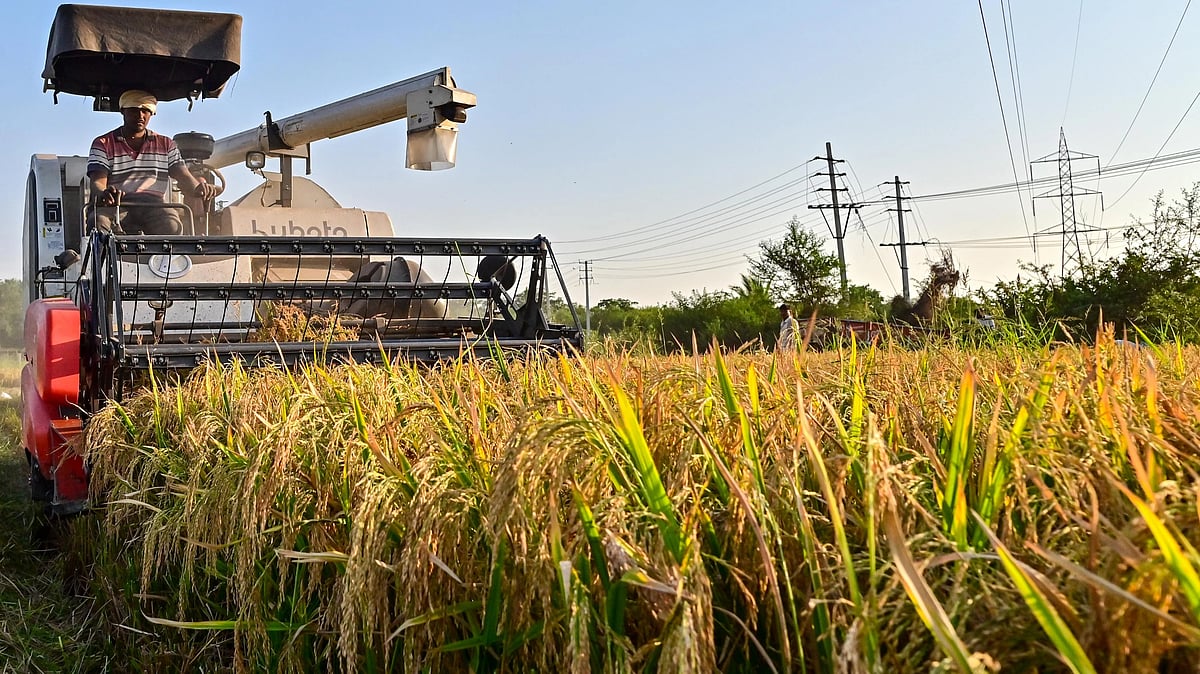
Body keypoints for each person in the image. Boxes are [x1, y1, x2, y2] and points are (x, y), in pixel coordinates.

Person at [87, 90, 217, 235]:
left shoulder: (166, 144)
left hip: (154, 206)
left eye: (145, 111)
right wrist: (104, 194)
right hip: (117, 205)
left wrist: (198, 188)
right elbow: (97, 182)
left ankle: (167, 252)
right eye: (134, 110)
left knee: (172, 225)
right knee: (99, 222)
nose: (140, 116)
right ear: (122, 111)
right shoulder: (103, 143)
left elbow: (182, 174)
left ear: (152, 113)